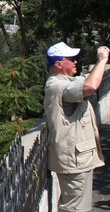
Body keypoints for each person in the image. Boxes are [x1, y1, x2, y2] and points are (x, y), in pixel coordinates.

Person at [45, 41, 106, 211]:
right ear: (58, 64)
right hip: (74, 161)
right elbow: (90, 86)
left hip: (77, 159)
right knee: (75, 208)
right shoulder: (58, 86)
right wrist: (102, 60)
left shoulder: (64, 83)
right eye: (70, 59)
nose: (75, 62)